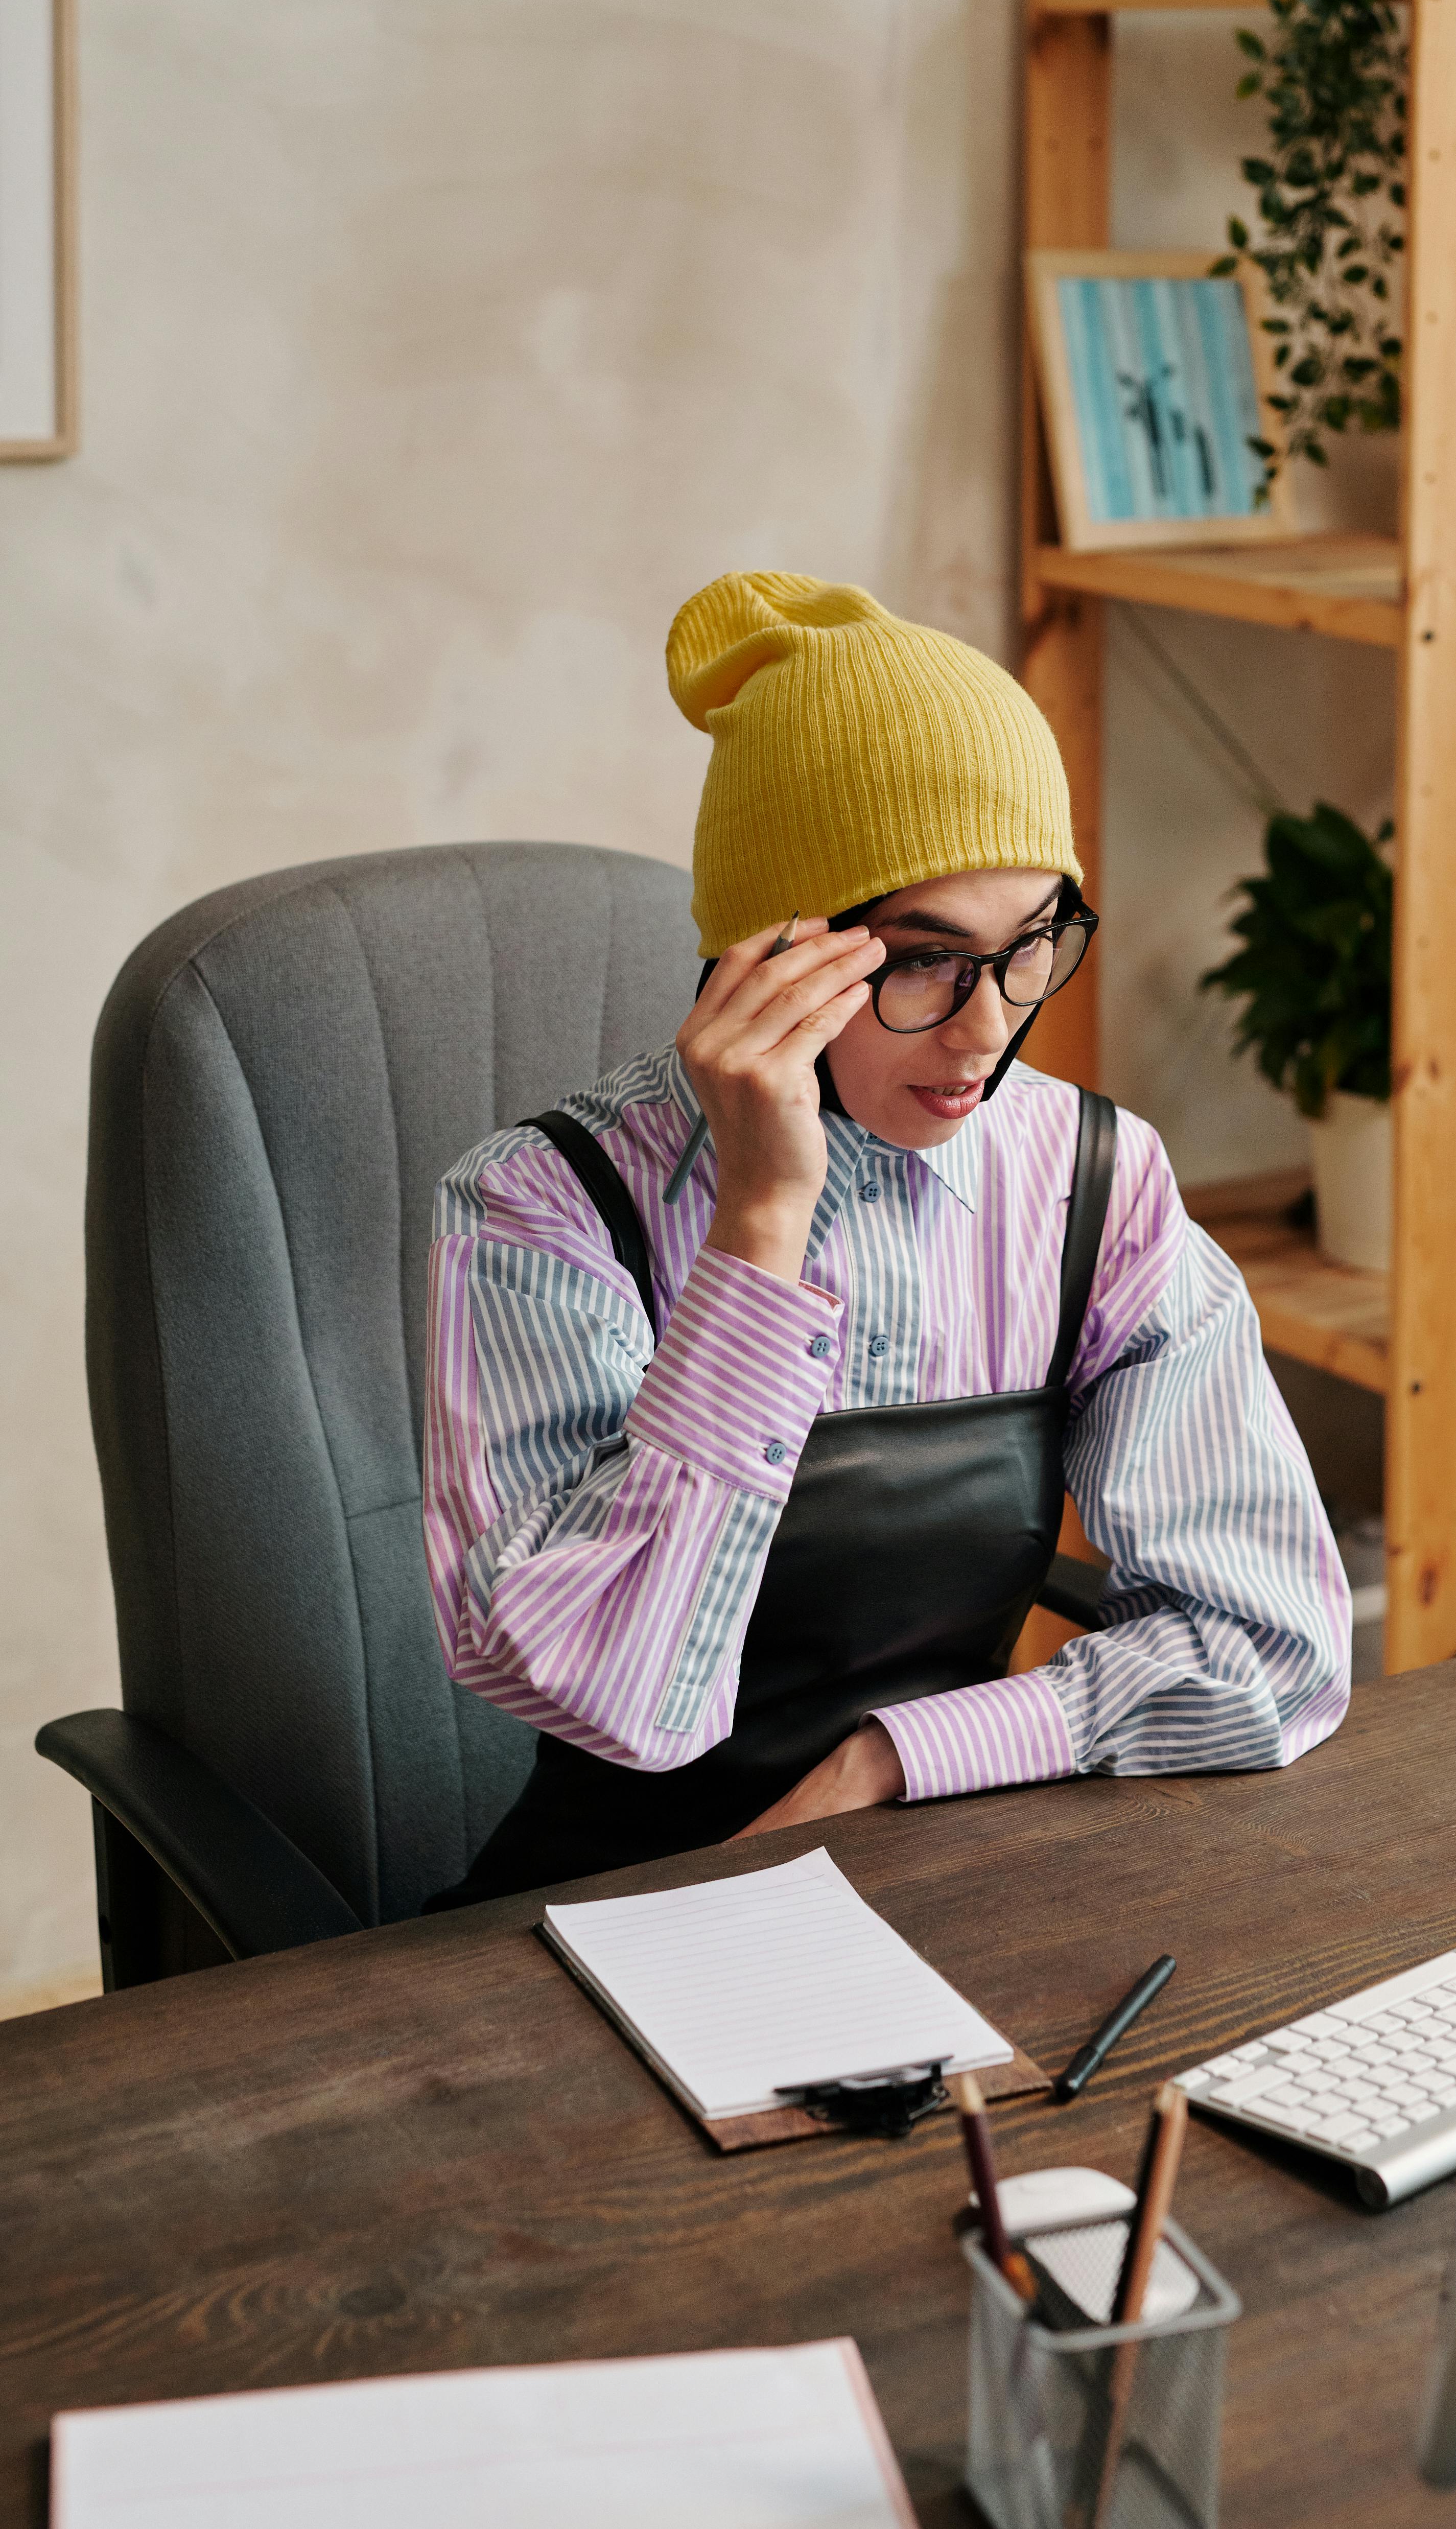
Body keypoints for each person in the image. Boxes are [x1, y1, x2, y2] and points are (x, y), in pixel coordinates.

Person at [422, 571, 1348, 1903]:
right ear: (766, 951)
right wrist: (758, 1226)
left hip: (938, 1873)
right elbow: (623, 1702)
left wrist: (891, 1760)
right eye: (924, 957)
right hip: (603, 1923)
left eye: (1031, 942)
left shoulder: (1093, 1182)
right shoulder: (541, 1207)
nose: (989, 1028)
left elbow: (1274, 1646)